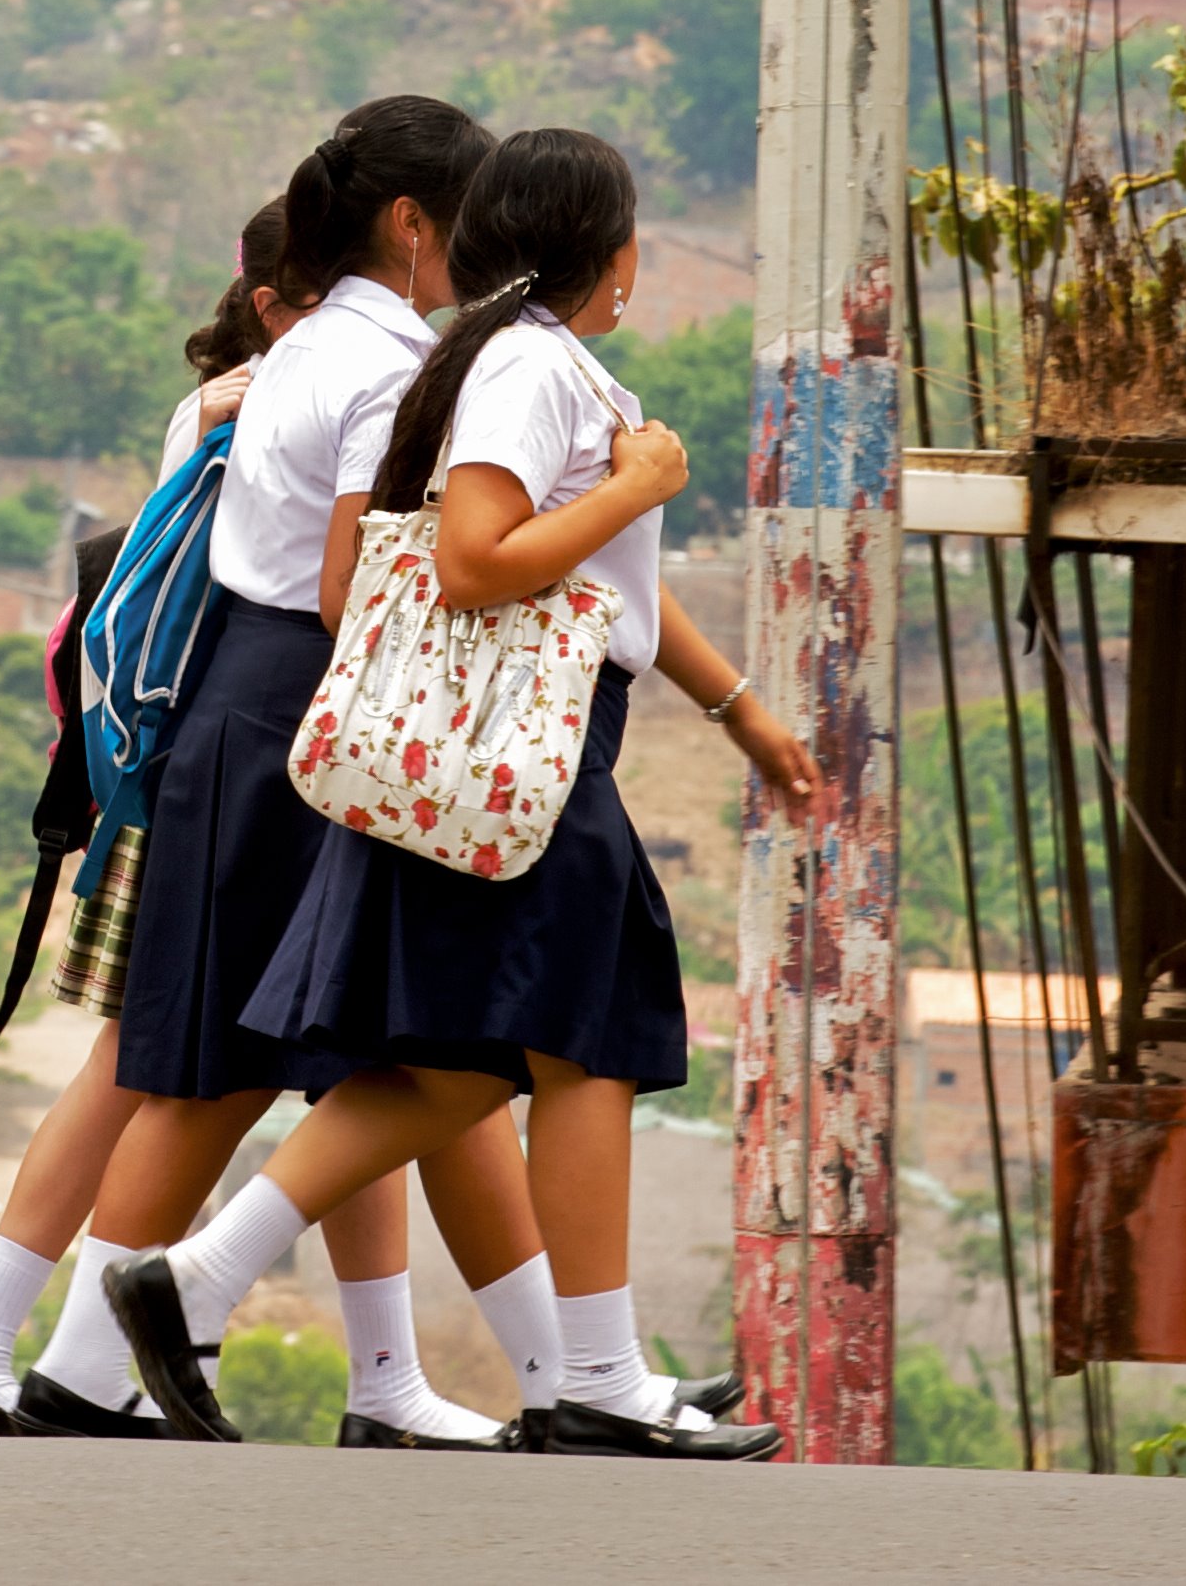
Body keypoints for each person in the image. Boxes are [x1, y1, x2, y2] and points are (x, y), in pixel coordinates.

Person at [101, 128, 817, 1460]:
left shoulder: (511, 363)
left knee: (456, 1066)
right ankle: (595, 1380)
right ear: (611, 250)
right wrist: (639, 487)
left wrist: (742, 713)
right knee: (587, 1045)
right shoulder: (527, 372)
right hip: (520, 757)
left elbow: (617, 605)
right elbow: (475, 563)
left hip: (513, 748)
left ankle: (198, 1275)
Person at [12, 100, 594, 1450]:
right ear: (411, 226)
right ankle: (86, 1360)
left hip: (235, 710)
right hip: (304, 711)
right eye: (466, 221)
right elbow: (351, 583)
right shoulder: (392, 367)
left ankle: (89, 1364)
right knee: (263, 1062)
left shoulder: (298, 350)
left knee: (243, 1057)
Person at [0, 201, 301, 1440]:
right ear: (288, 300)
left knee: (253, 1068)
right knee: (156, 1065)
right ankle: (23, 1350)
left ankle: (34, 1351)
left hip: (178, 774)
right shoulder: (261, 405)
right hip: (216, 779)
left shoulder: (226, 400)